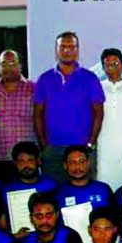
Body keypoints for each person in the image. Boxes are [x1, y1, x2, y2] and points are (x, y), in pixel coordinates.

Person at [34, 31, 105, 183]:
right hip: (53, 150)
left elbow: (98, 113)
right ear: (56, 50)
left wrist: (90, 143)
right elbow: (37, 114)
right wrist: (44, 145)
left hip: (83, 149)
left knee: (83, 196)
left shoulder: (90, 78)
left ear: (77, 50)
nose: (67, 51)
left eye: (71, 47)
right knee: (54, 196)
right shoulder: (45, 79)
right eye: (63, 47)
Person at [0, 50, 37, 182]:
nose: (8, 67)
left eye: (12, 63)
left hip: (28, 160)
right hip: (0, 158)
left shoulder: (34, 89)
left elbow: (42, 120)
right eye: (4, 64)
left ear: (20, 66)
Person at [96, 48, 122, 191]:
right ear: (103, 68)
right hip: (105, 148)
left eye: (115, 64)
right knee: (106, 185)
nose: (111, 68)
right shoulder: (98, 88)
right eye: (107, 65)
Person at [0, 141, 57, 238]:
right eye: (21, 161)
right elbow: (2, 225)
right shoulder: (7, 190)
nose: (26, 165)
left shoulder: (51, 185)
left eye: (30, 160)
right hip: (19, 242)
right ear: (14, 163)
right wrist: (13, 237)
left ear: (38, 161)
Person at [56, 145, 115, 211]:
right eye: (72, 163)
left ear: (88, 163)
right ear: (65, 165)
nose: (77, 167)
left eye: (81, 162)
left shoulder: (104, 189)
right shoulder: (58, 192)